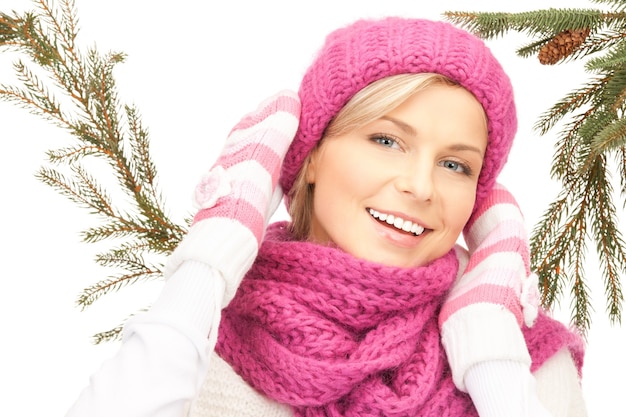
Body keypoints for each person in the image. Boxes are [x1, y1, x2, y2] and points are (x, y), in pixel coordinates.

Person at [66, 17, 586, 417]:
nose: (421, 186)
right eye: (386, 140)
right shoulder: (205, 348)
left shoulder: (528, 361)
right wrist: (210, 256)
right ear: (310, 154)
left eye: (455, 165)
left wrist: (491, 347)